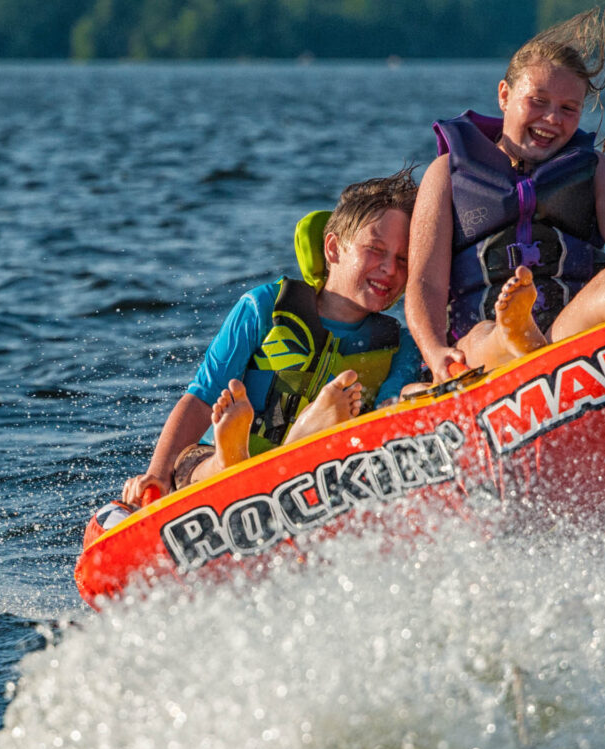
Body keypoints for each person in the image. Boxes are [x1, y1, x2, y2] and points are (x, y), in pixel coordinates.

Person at [404, 8, 605, 383]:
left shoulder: (594, 171)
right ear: (504, 95)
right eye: (537, 101)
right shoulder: (447, 174)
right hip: (481, 352)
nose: (552, 119)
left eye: (568, 109)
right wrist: (435, 352)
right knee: (484, 335)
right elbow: (424, 282)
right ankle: (514, 336)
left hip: (567, 334)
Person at [122, 169, 420, 506]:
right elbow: (203, 398)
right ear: (334, 248)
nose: (390, 269)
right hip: (218, 477)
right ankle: (230, 459)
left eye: (402, 259)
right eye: (376, 250)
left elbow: (390, 418)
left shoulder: (400, 347)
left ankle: (301, 440)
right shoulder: (266, 306)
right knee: (187, 461)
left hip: (321, 478)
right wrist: (156, 477)